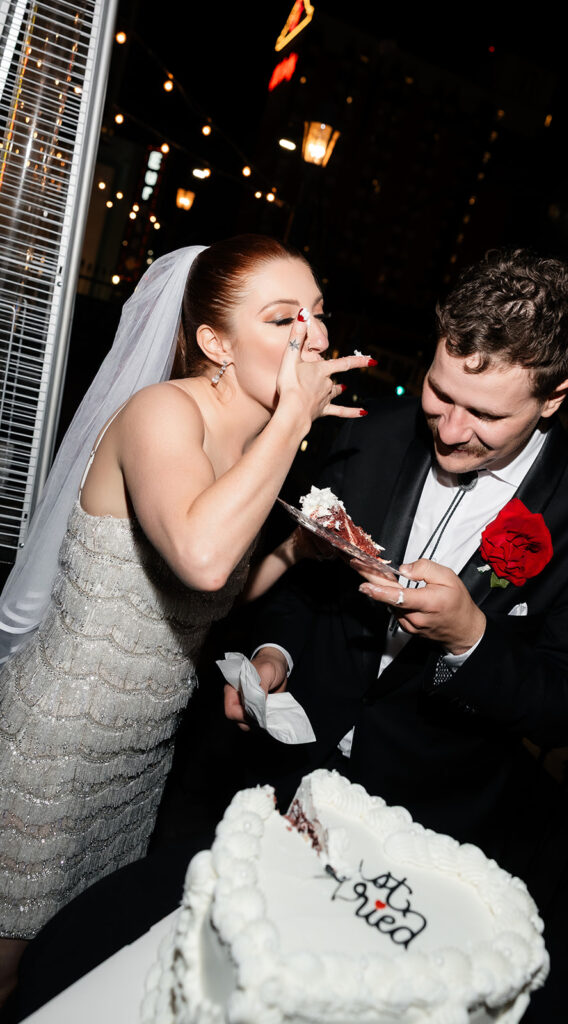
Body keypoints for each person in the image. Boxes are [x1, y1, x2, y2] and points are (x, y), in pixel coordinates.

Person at [0, 234, 372, 1002]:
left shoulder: (252, 438)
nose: (313, 334)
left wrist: (298, 552)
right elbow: (202, 557)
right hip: (55, 744)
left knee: (69, 968)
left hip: (139, 755)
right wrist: (293, 421)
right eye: (281, 318)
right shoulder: (160, 411)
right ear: (214, 342)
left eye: (316, 313)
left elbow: (209, 595)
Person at [228, 248, 568, 849]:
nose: (450, 431)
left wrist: (470, 639)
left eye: (485, 414)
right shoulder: (368, 434)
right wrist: (275, 652)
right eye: (439, 392)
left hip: (422, 815)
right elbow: (305, 579)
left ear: (554, 398)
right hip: (283, 765)